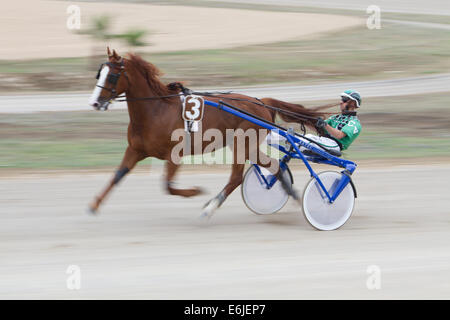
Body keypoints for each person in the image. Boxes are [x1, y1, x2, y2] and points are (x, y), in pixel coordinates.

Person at [302, 89, 362, 154]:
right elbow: (318, 129)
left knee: (308, 138)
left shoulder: (354, 122)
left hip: (334, 145)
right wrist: (304, 121)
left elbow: (339, 135)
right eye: (341, 99)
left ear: (353, 103)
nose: (341, 102)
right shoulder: (335, 117)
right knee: (298, 136)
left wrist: (324, 124)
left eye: (344, 100)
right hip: (324, 141)